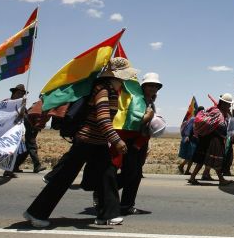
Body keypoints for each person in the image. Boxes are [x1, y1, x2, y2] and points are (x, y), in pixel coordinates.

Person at [23, 58, 134, 228]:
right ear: (117, 77)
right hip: (87, 140)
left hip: (98, 142)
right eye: (124, 78)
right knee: (63, 178)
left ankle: (108, 214)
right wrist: (117, 140)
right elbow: (103, 119)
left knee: (107, 176)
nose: (126, 81)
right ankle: (36, 213)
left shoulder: (109, 90)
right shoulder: (103, 90)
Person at [119, 72, 163, 215]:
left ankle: (126, 205)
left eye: (156, 86)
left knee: (135, 174)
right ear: (143, 86)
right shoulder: (137, 100)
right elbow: (133, 121)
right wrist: (148, 117)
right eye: (150, 85)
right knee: (130, 173)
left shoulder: (149, 101)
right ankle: (104, 190)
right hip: (132, 142)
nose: (153, 88)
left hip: (140, 142)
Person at [188, 94, 233, 185]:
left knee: (204, 159)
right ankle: (221, 179)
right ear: (223, 103)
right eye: (228, 104)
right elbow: (216, 125)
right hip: (212, 140)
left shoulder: (221, 112)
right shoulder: (217, 112)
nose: (229, 106)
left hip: (210, 139)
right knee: (215, 160)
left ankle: (193, 177)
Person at [8, 84, 46, 176]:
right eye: (19, 93)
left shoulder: (23, 104)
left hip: (22, 129)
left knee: (25, 149)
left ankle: (13, 167)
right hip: (10, 131)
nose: (21, 95)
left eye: (22, 93)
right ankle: (9, 169)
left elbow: (25, 116)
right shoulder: (8, 103)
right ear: (14, 93)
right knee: (28, 147)